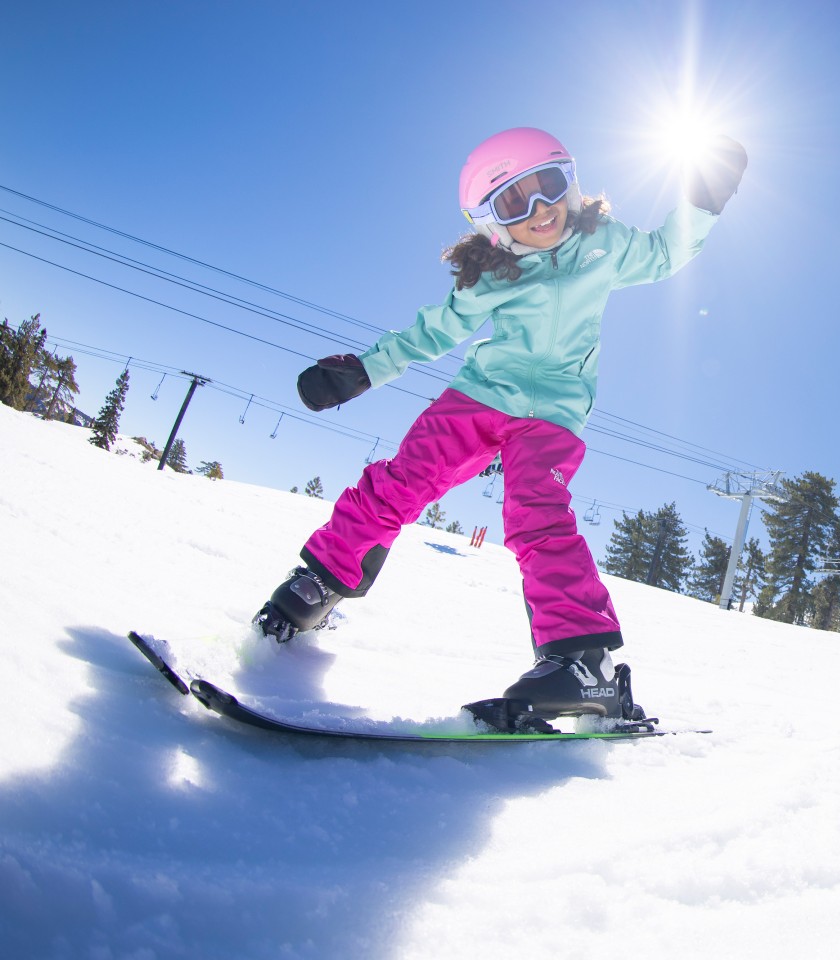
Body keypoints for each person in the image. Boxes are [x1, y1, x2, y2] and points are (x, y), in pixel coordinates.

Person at [252, 126, 746, 728]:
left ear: (573, 183)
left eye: (550, 186)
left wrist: (702, 201)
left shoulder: (605, 245)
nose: (541, 210)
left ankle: (581, 664)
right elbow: (432, 330)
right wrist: (363, 370)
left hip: (555, 413)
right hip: (480, 396)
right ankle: (323, 578)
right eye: (516, 201)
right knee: (402, 480)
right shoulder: (493, 274)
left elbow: (667, 253)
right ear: (491, 221)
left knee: (537, 514)